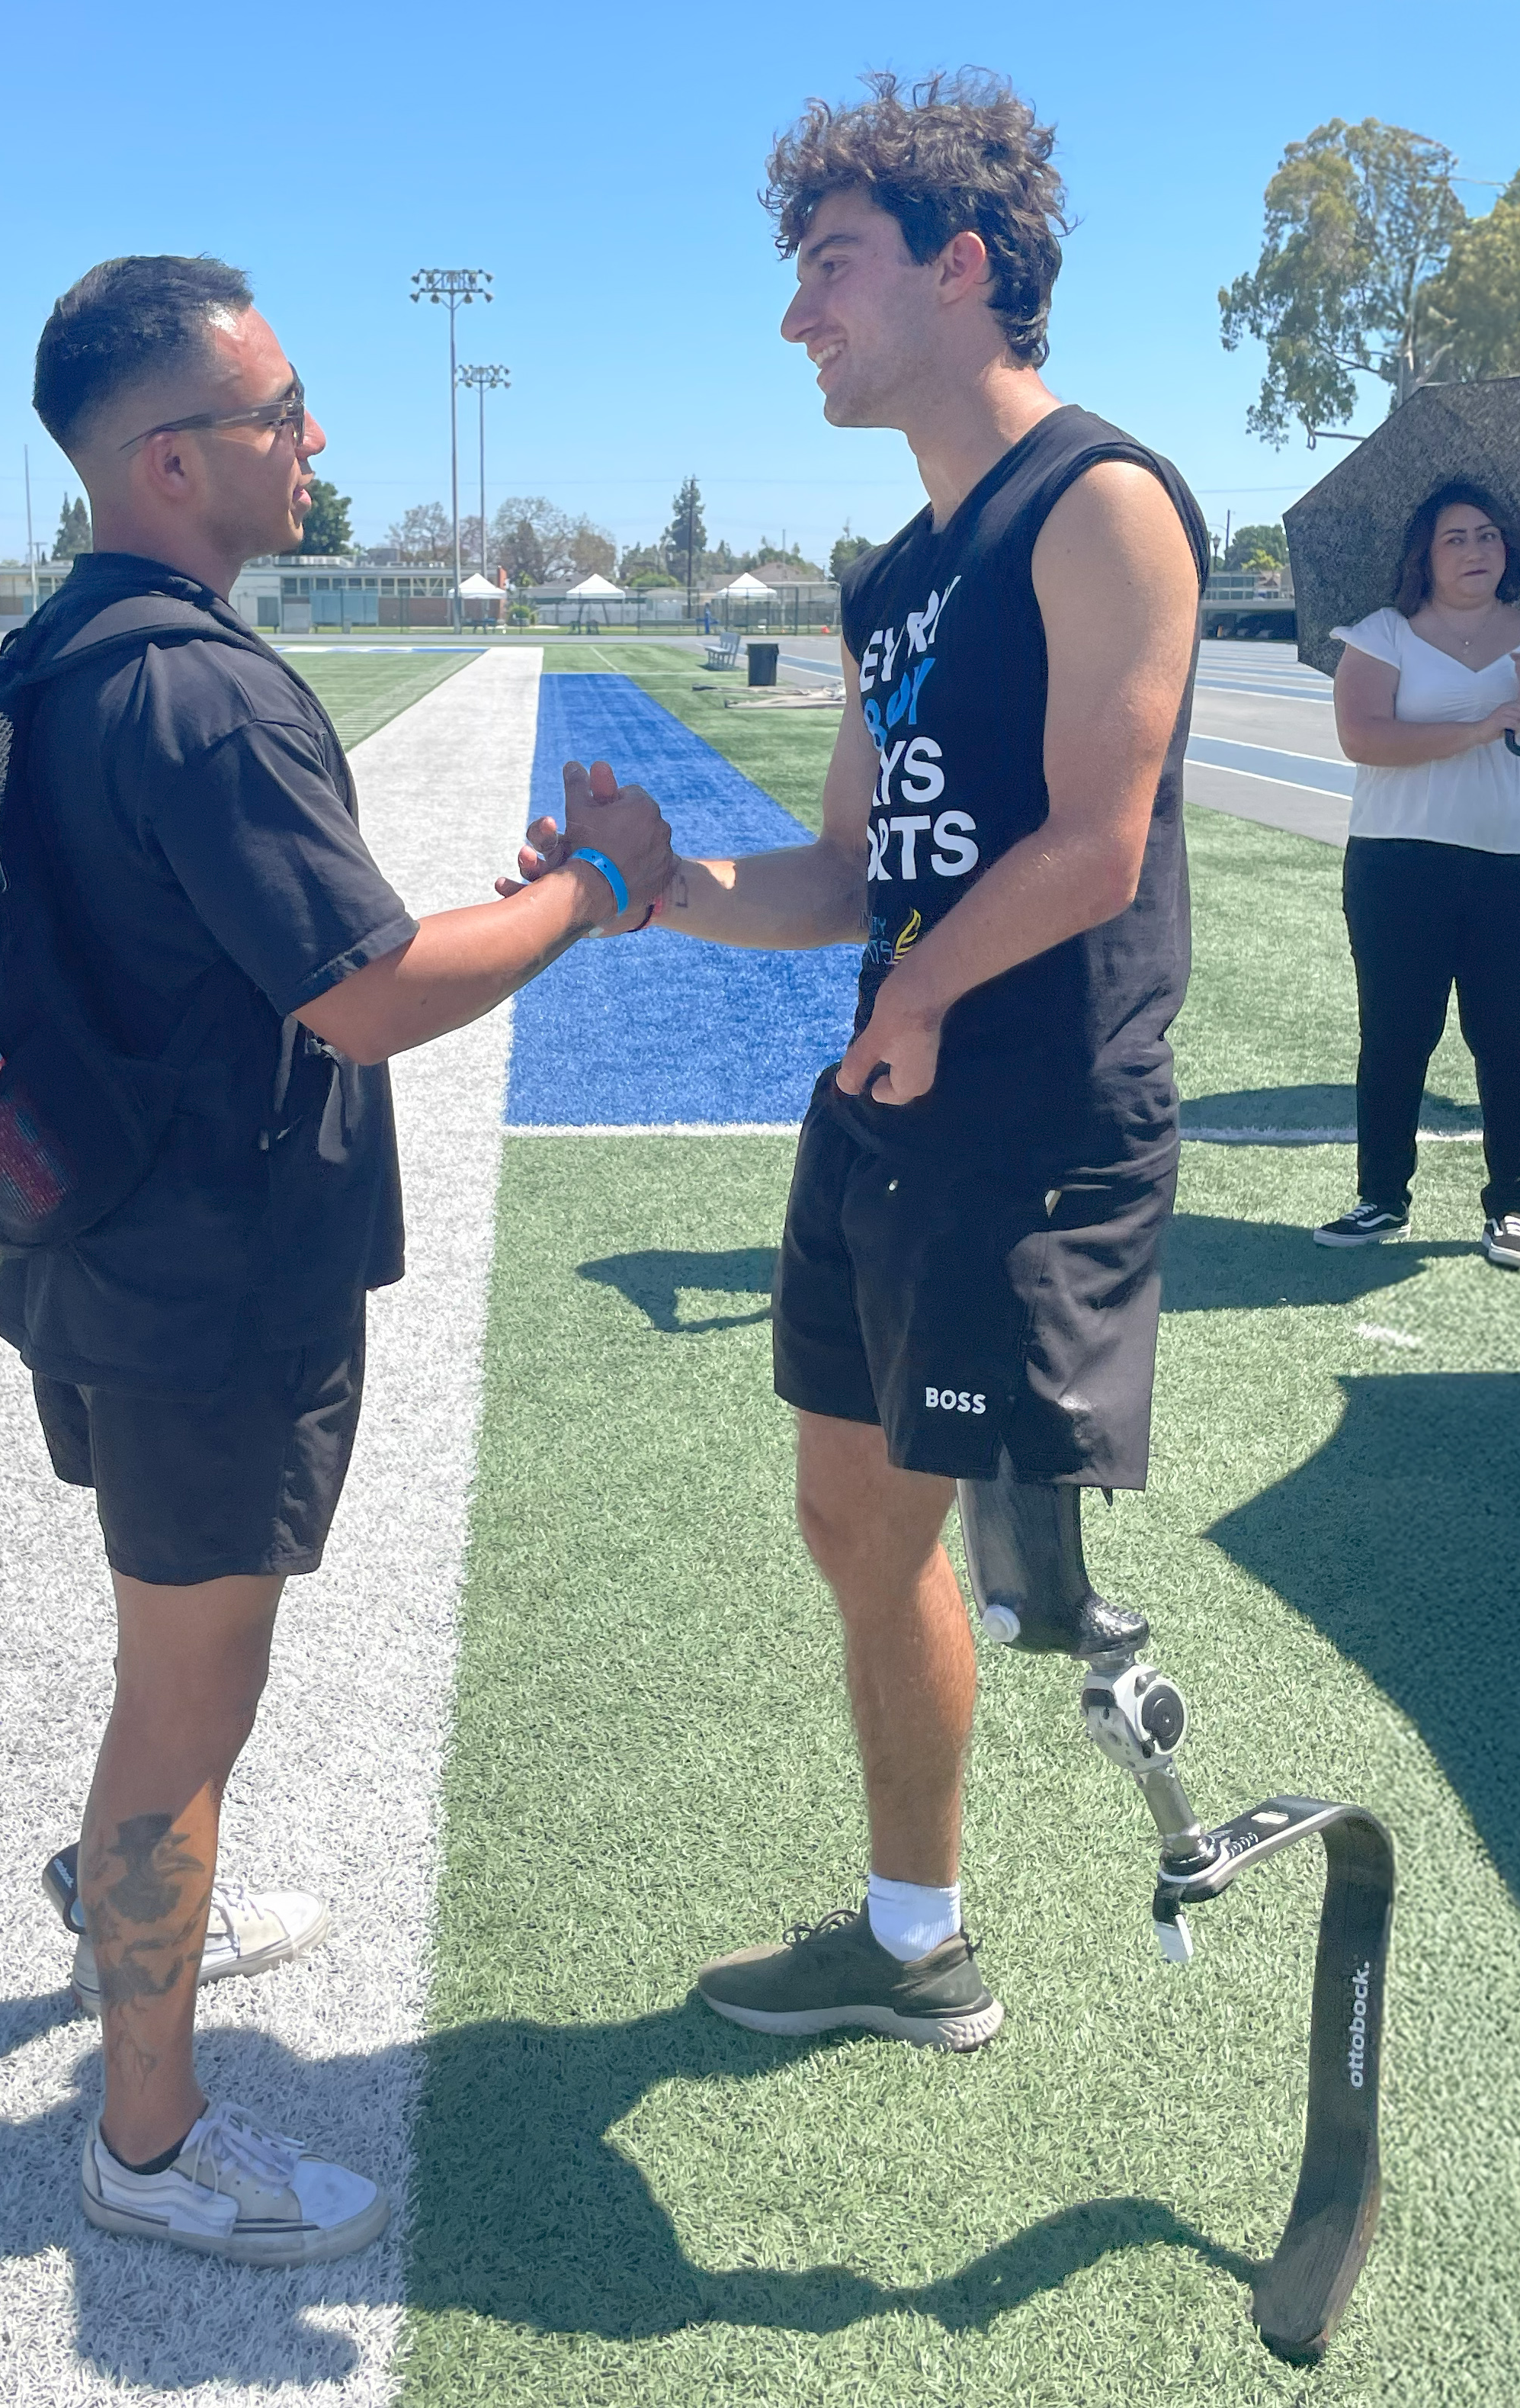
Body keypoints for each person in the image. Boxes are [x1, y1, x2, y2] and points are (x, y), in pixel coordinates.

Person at [521, 70, 1204, 2050]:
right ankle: (913, 1942)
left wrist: (911, 996)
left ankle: (967, 1883)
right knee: (847, 1519)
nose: (794, 314)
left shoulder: (1100, 502)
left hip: (1027, 1116)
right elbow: (840, 867)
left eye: (828, 266)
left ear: (960, 269)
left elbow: (1095, 837)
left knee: (968, 1548)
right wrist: (656, 883)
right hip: (886, 1106)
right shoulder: (889, 576)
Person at [3, 254, 675, 2265]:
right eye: (284, 412)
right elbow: (368, 997)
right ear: (172, 454)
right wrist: (598, 898)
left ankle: (139, 1887)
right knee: (185, 1701)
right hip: (212, 1280)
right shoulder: (196, 686)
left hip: (116, 1243)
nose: (316, 445)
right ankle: (145, 2139)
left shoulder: (66, 651)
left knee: (167, 1668)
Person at [1314, 480, 1520, 1271]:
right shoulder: (1382, 635)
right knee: (1396, 1033)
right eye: (1456, 538)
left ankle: (1511, 1210)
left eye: (1488, 535)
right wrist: (1480, 725)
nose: (1476, 551)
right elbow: (1363, 737)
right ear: (1426, 555)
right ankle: (1382, 1196)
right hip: (1398, 864)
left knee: (1511, 1040)